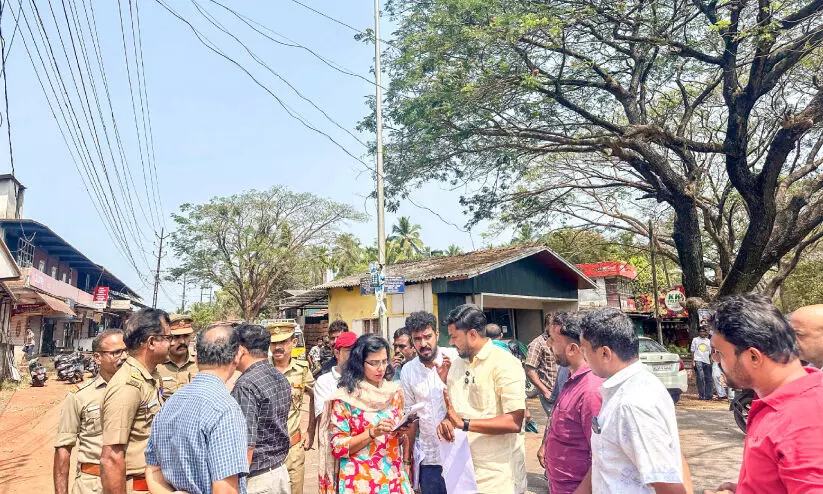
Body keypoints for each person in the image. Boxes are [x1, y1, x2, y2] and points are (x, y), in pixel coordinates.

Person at [704, 295, 823, 494]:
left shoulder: (801, 420)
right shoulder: (785, 402)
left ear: (753, 356)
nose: (715, 359)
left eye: (719, 353)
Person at [576, 307, 691, 494]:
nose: (584, 357)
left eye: (585, 350)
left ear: (605, 353)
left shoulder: (631, 403)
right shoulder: (628, 387)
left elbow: (668, 484)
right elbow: (607, 462)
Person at [144, 324, 249, 494]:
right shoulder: (225, 409)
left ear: (197, 358)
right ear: (237, 356)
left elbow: (153, 472)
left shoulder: (170, 404)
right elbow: (226, 490)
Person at [437, 304, 527, 492]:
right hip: (462, 472)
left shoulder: (505, 363)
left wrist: (465, 423)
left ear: (472, 334)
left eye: (455, 337)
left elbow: (514, 422)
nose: (452, 342)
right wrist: (447, 422)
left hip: (497, 477)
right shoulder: (456, 366)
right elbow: (456, 413)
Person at [319, 334, 413, 494]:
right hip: (359, 481)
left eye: (384, 361)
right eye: (373, 363)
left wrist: (400, 432)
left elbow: (394, 441)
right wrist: (371, 433)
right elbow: (338, 447)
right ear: (359, 363)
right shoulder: (346, 398)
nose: (381, 368)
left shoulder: (394, 393)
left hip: (392, 478)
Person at [101, 308, 171, 494]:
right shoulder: (128, 386)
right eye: (168, 337)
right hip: (138, 487)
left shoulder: (151, 377)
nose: (171, 343)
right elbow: (111, 457)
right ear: (152, 342)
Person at [54, 330, 128, 494]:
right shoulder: (79, 396)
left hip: (129, 482)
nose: (123, 357)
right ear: (97, 358)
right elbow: (63, 449)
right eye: (115, 352)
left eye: (125, 351)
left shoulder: (138, 390)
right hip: (93, 485)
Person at [540, 314, 604, 494]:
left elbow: (601, 459)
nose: (548, 345)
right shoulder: (568, 376)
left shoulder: (590, 391)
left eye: (552, 340)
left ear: (572, 349)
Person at [400, 311, 458, 494]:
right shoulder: (408, 371)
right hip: (429, 458)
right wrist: (407, 462)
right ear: (412, 340)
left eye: (428, 337)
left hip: (460, 453)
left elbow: (470, 402)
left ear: (437, 335)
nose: (423, 344)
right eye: (417, 339)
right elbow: (410, 420)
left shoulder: (455, 359)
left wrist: (448, 381)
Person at [232, 323, 292, 494]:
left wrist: (236, 482)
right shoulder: (280, 377)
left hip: (257, 480)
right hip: (278, 472)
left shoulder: (246, 384)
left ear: (241, 350)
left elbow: (247, 444)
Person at [269, 321, 316, 494]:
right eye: (274, 343)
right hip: (268, 451)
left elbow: (316, 397)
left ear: (294, 342)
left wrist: (311, 430)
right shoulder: (263, 371)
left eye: (283, 342)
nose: (278, 347)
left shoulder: (302, 370)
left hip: (293, 449)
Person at [314, 332, 357, 419]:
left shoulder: (364, 378)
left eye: (357, 351)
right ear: (337, 353)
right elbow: (324, 416)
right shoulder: (324, 381)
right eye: (349, 351)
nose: (354, 355)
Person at [156, 314, 198, 400]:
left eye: (186, 336)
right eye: (176, 337)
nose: (182, 341)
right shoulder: (156, 366)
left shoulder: (199, 364)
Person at [691, 327, 713, 400]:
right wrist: (693, 361)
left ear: (706, 332)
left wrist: (710, 360)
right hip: (698, 360)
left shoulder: (708, 341)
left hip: (707, 361)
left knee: (708, 378)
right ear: (699, 332)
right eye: (701, 331)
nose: (702, 333)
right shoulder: (695, 340)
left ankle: (708, 395)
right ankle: (702, 395)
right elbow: (692, 351)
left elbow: (710, 352)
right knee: (700, 378)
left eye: (704, 331)